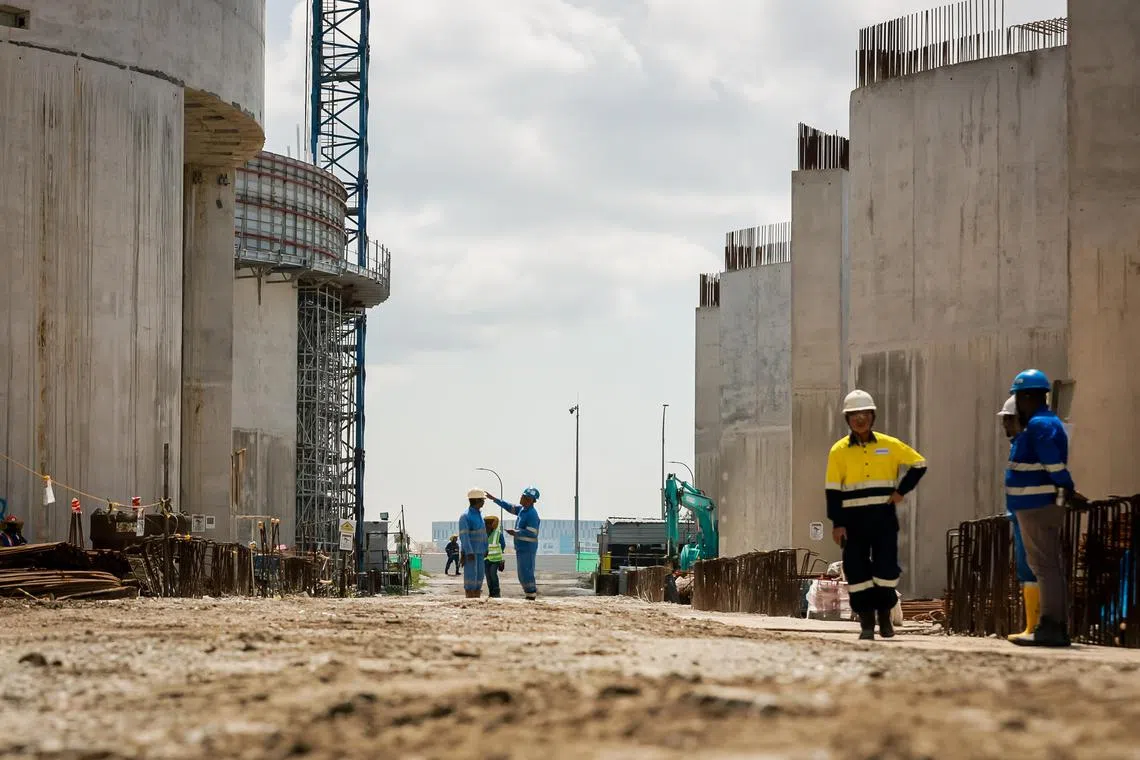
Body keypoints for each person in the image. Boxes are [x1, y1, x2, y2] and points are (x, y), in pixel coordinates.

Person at [825, 390, 927, 640]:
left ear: (873, 416)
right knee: (857, 573)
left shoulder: (888, 445)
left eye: (864, 414)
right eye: (854, 415)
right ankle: (867, 624)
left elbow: (919, 464)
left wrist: (901, 491)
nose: (860, 419)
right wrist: (837, 524)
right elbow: (833, 490)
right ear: (847, 419)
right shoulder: (838, 451)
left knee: (886, 570)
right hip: (853, 522)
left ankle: (885, 616)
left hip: (883, 519)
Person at [1006, 369, 1079, 647]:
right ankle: (1052, 625)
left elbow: (1053, 464)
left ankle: (1051, 626)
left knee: (1044, 566)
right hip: (1035, 504)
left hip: (1035, 505)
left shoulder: (1039, 425)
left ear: (1026, 397)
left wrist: (1066, 485)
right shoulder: (1045, 423)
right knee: (1047, 565)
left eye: (1018, 398)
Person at [997, 395, 1039, 641]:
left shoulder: (1029, 443)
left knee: (1034, 569)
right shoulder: (1019, 443)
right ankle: (1031, 625)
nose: (1005, 425)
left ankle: (1035, 626)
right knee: (1026, 570)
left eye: (1009, 420)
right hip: (1020, 513)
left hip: (1030, 512)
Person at [486, 487, 541, 600]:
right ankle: (528, 594)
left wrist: (516, 532)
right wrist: (494, 499)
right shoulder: (522, 510)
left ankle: (531, 594)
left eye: (524, 497)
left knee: (526, 572)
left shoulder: (532, 514)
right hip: (521, 547)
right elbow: (509, 507)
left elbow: (533, 532)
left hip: (528, 548)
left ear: (530, 500)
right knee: (522, 573)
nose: (521, 498)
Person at [458, 489, 488, 599]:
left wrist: (486, 548)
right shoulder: (465, 516)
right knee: (471, 575)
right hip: (471, 553)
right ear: (476, 500)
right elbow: (464, 536)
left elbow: (483, 534)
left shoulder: (480, 516)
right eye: (482, 500)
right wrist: (468, 551)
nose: (484, 502)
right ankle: (470, 596)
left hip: (480, 552)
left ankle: (476, 596)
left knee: (480, 575)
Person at [484, 514, 507, 598]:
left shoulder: (498, 533)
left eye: (487, 524)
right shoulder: (483, 534)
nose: (486, 525)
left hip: (496, 559)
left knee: (493, 574)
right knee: (488, 576)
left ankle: (496, 592)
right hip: (486, 559)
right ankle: (491, 592)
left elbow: (503, 545)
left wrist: (498, 552)